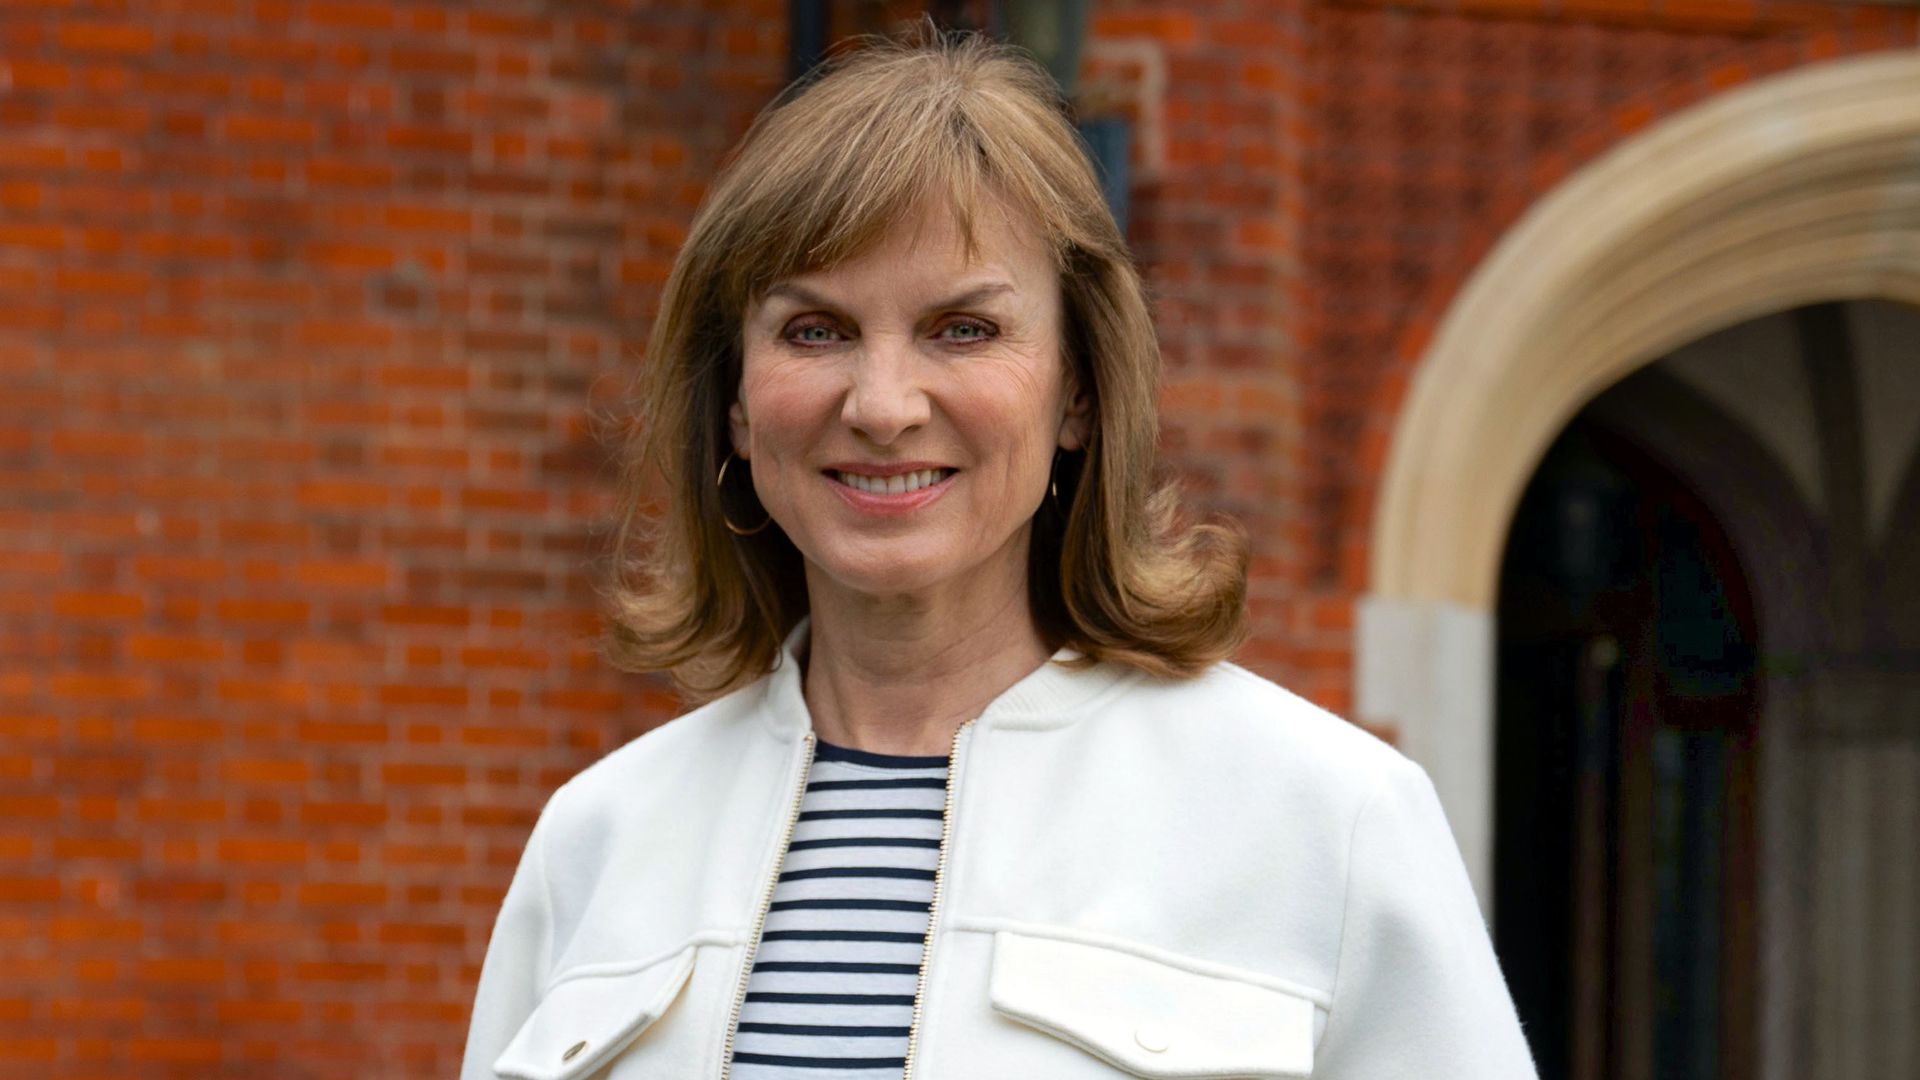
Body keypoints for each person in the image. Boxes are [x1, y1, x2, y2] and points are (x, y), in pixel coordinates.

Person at [459, 24, 1537, 1080]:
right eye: (815, 330)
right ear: (735, 405)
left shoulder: (1326, 822)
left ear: (1076, 391)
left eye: (963, 330)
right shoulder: (597, 840)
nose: (882, 406)